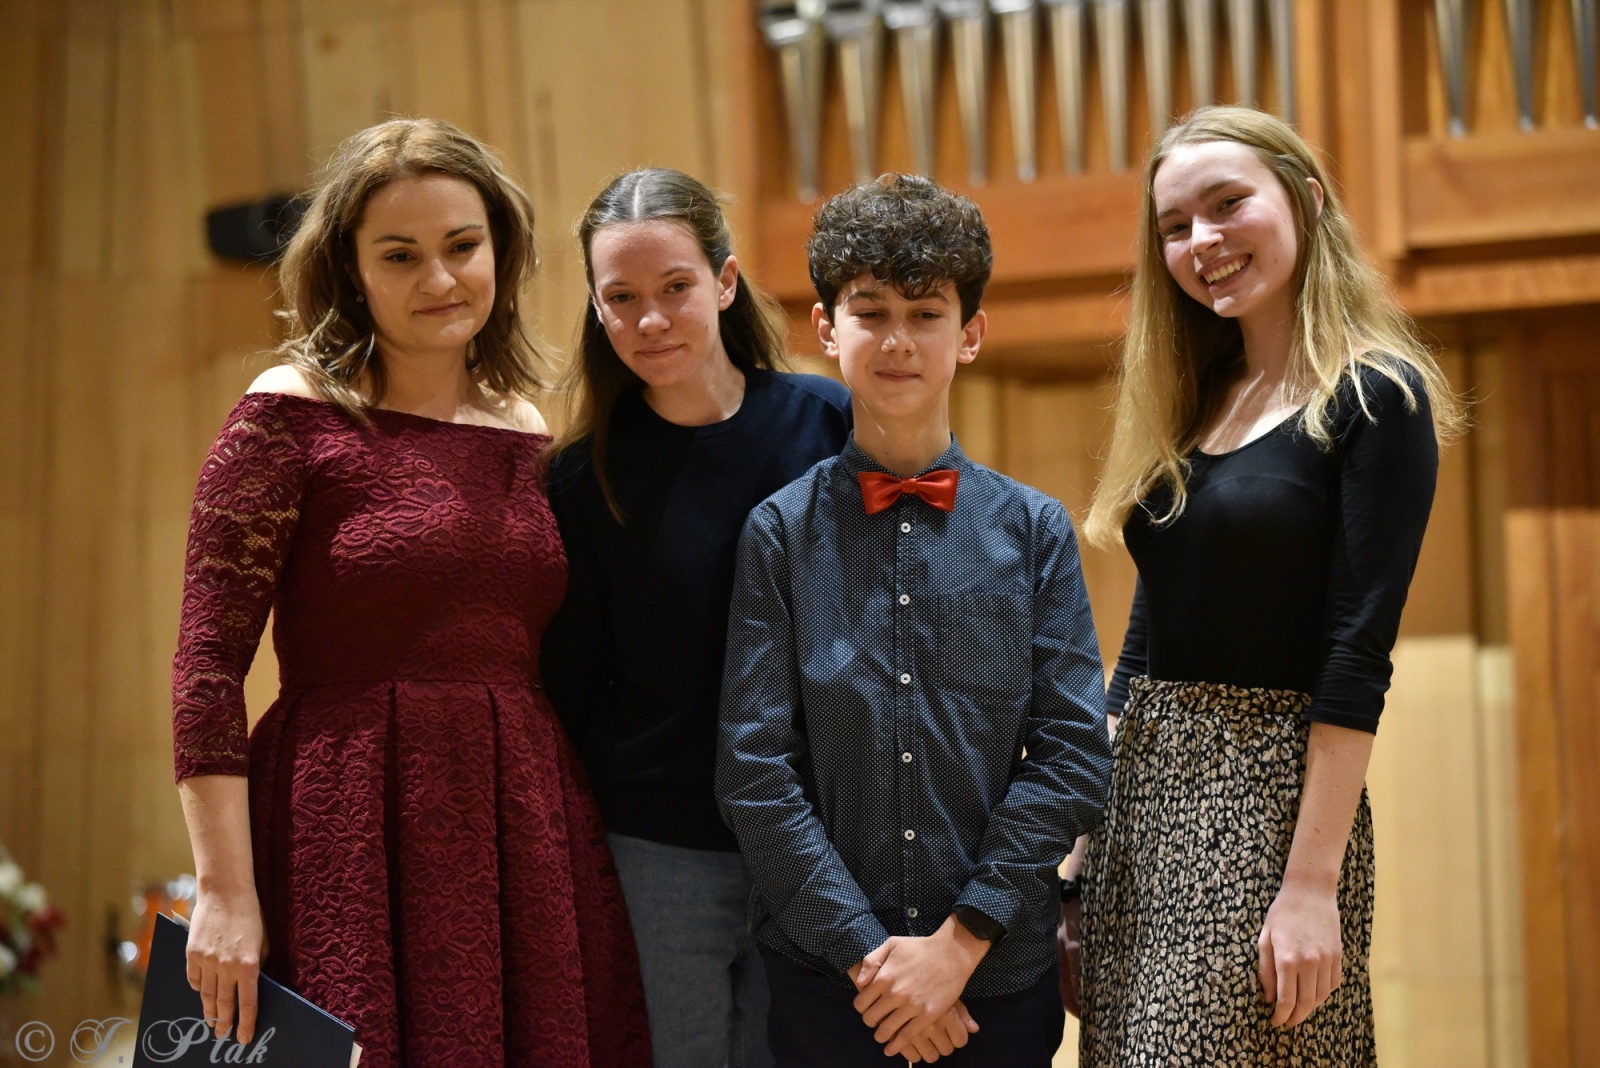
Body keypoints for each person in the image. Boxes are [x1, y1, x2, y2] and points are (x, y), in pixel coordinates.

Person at [170, 117, 651, 1068]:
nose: (440, 278)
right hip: (343, 823)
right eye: (400, 255)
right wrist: (222, 890)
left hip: (517, 824)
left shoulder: (526, 428)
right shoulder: (287, 413)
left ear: (500, 252)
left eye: (462, 246)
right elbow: (206, 671)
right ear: (351, 270)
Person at [1075, 105, 1464, 1064]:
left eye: (1226, 204)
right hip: (1143, 802)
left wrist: (1311, 886)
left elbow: (1357, 652)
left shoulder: (1376, 394)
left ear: (1307, 200)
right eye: (1175, 225)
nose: (1202, 241)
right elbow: (1147, 639)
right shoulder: (1198, 399)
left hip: (1267, 804)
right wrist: (1082, 849)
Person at [716, 174, 1114, 1067]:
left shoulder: (1035, 529)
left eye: (926, 313)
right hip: (829, 986)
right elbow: (754, 772)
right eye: (871, 312)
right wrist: (876, 965)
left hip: (994, 979)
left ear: (970, 333)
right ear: (828, 329)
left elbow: (1073, 755)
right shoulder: (779, 533)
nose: (898, 339)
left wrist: (957, 947)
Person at [539, 167, 852, 1068]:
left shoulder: (829, 424)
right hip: (659, 848)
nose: (650, 320)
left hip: (816, 838)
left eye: (675, 287)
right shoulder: (580, 477)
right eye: (621, 298)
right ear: (596, 308)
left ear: (724, 281)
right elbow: (571, 682)